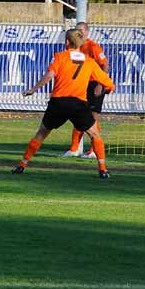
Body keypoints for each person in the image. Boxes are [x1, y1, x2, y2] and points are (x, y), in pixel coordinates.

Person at [14, 28, 115, 179]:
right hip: (78, 104)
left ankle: (22, 165)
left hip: (58, 103)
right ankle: (103, 169)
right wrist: (107, 89)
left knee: (41, 133)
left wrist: (34, 89)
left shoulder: (60, 57)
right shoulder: (89, 62)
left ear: (67, 42)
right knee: (95, 135)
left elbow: (50, 74)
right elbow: (108, 82)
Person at [63, 21, 109, 159]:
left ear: (87, 32)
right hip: (82, 86)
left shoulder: (93, 47)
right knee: (79, 115)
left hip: (95, 85)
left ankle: (94, 151)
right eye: (77, 30)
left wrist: (100, 84)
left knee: (92, 117)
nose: (79, 33)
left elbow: (105, 65)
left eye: (81, 30)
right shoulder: (74, 48)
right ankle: (74, 149)